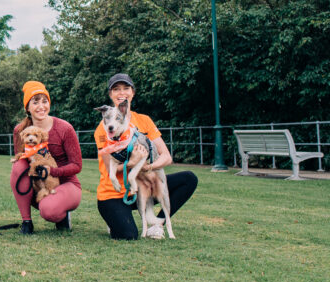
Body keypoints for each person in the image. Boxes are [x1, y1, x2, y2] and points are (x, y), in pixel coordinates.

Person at [94, 73, 198, 240]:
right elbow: (109, 169)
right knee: (128, 235)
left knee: (189, 179)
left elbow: (166, 157)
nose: (122, 93)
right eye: (116, 89)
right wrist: (132, 162)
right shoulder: (104, 129)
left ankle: (158, 224)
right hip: (114, 193)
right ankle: (114, 218)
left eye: (126, 88)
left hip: (144, 186)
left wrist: (147, 167)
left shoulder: (144, 120)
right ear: (110, 95)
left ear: (133, 92)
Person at [10, 81, 82, 234]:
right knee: (18, 165)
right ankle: (26, 222)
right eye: (35, 102)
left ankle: (61, 211)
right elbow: (23, 163)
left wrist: (52, 171)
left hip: (67, 184)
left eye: (45, 101)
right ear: (27, 108)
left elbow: (77, 165)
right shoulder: (20, 130)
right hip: (38, 184)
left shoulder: (64, 128)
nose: (41, 106)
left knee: (49, 210)